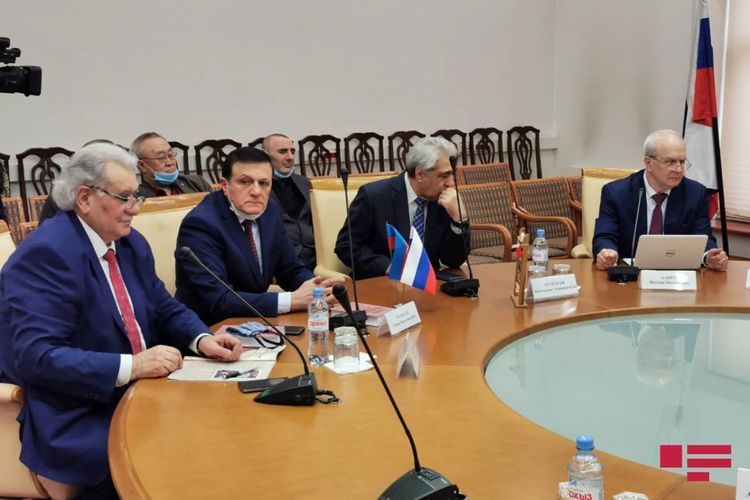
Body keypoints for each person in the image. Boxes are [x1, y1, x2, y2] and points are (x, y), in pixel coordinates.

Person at [0, 143, 242, 499]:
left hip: (141, 391)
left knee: (225, 423)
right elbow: (39, 358)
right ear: (85, 198)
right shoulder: (46, 254)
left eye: (136, 196)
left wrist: (202, 338)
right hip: (77, 410)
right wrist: (133, 365)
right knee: (183, 457)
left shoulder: (128, 242)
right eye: (125, 198)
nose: (135, 209)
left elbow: (163, 305)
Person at [175, 147, 342, 325]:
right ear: (224, 185)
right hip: (210, 327)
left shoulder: (270, 210)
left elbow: (290, 270)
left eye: (263, 183)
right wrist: (292, 300)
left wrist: (318, 290)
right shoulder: (200, 224)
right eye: (245, 182)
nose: (256, 191)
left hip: (257, 321)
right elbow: (219, 299)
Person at [334, 136, 470, 279]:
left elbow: (452, 261)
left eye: (452, 174)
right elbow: (346, 246)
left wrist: (459, 221)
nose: (451, 183)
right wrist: (389, 266)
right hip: (381, 281)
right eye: (444, 176)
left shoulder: (444, 200)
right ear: (419, 174)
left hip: (427, 283)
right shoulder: (374, 196)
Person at [593, 129, 728, 272]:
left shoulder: (696, 193)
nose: (679, 169)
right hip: (629, 273)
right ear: (649, 163)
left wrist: (709, 256)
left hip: (677, 274)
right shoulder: (616, 193)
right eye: (670, 162)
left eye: (682, 162)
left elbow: (703, 236)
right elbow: (605, 235)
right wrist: (607, 252)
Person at [262, 133, 316, 270]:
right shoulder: (257, 188)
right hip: (281, 261)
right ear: (265, 155)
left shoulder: (305, 182)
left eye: (292, 151)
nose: (290, 157)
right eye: (282, 152)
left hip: (316, 255)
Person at [131, 131, 212, 196]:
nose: (170, 162)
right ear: (142, 166)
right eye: (161, 157)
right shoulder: (135, 198)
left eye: (171, 155)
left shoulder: (197, 183)